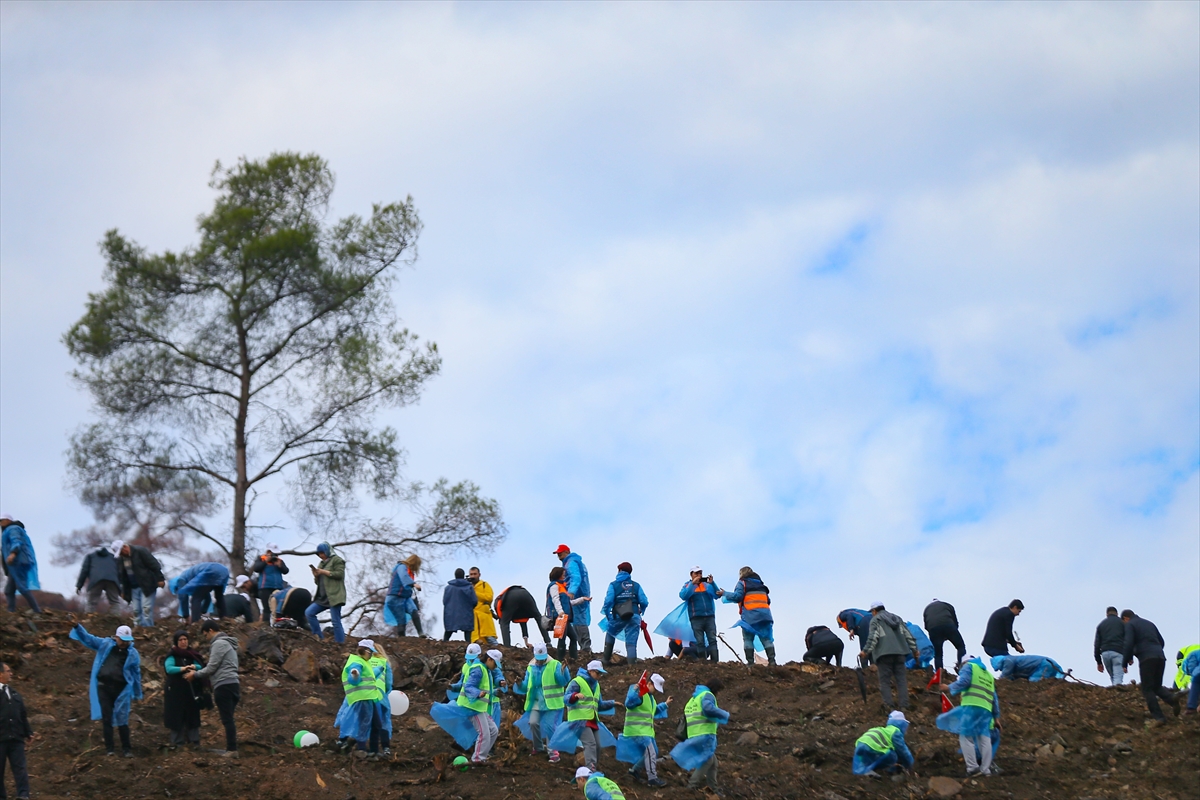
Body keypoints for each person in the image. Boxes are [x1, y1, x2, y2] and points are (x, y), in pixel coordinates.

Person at [69, 622, 142, 757]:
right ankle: (110, 749)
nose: (124, 643)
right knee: (107, 717)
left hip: (122, 689)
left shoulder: (133, 654)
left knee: (122, 718)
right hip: (104, 687)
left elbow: (136, 673)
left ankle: (127, 749)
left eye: (127, 641)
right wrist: (77, 627)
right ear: (116, 637)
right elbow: (88, 638)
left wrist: (137, 693)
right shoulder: (105, 644)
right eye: (122, 640)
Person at [184, 620, 240, 756]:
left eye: (205, 635)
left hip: (223, 684)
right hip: (234, 684)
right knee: (229, 718)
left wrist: (195, 675)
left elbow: (212, 667)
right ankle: (231, 748)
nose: (206, 638)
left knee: (227, 719)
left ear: (210, 630)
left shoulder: (219, 643)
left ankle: (232, 750)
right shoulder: (229, 644)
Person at [552, 660, 616, 772]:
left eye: (601, 673)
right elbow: (566, 698)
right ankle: (590, 770)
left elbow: (598, 705)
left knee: (597, 746)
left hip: (591, 720)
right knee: (590, 744)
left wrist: (612, 703)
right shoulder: (577, 682)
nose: (599, 676)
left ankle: (592, 769)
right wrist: (575, 695)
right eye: (597, 673)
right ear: (590, 671)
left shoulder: (596, 686)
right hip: (579, 721)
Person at [942, 655, 1000, 776]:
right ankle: (986, 770)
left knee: (966, 737)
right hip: (986, 710)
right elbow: (994, 698)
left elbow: (964, 681)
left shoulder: (969, 666)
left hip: (971, 707)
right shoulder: (988, 675)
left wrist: (948, 687)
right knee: (984, 739)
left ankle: (973, 768)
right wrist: (996, 717)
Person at [669, 679, 730, 793]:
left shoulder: (693, 699)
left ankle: (714, 788)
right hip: (704, 733)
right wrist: (724, 714)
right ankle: (692, 786)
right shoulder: (708, 695)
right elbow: (708, 708)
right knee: (707, 760)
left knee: (713, 762)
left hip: (694, 734)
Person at [1120, 609, 1181, 724]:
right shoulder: (1149, 623)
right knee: (1156, 686)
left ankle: (1159, 717)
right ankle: (1172, 699)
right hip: (1160, 656)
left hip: (1146, 658)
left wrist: (1125, 662)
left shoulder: (1130, 625)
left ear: (1126, 618)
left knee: (1147, 689)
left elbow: (1128, 644)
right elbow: (1161, 642)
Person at [514, 642, 568, 762]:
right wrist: (519, 684)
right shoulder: (531, 666)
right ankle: (538, 747)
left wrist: (563, 671)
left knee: (550, 726)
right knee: (533, 723)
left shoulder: (555, 664)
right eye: (538, 659)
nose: (539, 661)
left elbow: (562, 682)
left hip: (552, 702)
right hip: (536, 702)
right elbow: (526, 686)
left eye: (542, 659)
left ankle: (553, 752)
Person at [861, 601, 919, 711]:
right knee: (901, 680)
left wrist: (865, 651)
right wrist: (915, 650)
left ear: (874, 611)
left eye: (872, 612)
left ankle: (889, 706)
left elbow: (873, 637)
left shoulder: (876, 620)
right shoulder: (897, 618)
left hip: (884, 655)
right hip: (900, 654)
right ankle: (904, 706)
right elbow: (908, 635)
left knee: (885, 681)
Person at [615, 672, 669, 787]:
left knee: (654, 752)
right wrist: (635, 692)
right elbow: (629, 703)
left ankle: (634, 771)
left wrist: (665, 704)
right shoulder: (639, 692)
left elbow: (653, 711)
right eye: (655, 688)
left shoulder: (651, 698)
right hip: (637, 731)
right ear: (649, 683)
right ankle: (652, 779)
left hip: (646, 732)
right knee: (650, 752)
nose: (656, 691)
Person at [334, 640, 384, 756]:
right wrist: (355, 674)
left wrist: (379, 670)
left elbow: (369, 677)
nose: (372, 654)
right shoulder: (357, 662)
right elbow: (354, 679)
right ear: (365, 650)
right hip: (362, 698)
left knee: (375, 723)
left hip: (369, 697)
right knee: (364, 722)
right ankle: (360, 747)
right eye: (371, 652)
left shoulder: (363, 662)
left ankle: (370, 750)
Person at [726, 567, 776, 666]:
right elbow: (768, 600)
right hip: (765, 616)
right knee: (766, 639)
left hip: (750, 616)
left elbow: (737, 597)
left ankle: (750, 663)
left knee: (748, 639)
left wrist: (725, 594)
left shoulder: (742, 583)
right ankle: (772, 662)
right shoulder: (761, 585)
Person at [601, 562, 648, 666]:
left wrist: (607, 613)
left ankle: (605, 660)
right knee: (631, 643)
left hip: (618, 615)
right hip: (634, 615)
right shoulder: (636, 585)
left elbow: (608, 601)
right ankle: (632, 666)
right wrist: (641, 610)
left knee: (610, 633)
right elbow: (644, 601)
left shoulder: (613, 585)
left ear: (619, 571)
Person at [163, 630, 204, 748]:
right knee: (176, 716)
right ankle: (177, 742)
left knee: (192, 715)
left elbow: (200, 665)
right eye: (180, 640)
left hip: (190, 690)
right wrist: (184, 668)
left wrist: (193, 666)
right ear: (176, 642)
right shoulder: (172, 655)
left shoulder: (192, 654)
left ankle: (194, 741)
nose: (183, 642)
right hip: (175, 690)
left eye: (185, 639)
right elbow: (169, 669)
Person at [459, 643, 498, 763]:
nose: (496, 667)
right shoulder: (478, 669)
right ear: (489, 659)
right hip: (471, 706)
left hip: (479, 707)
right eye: (495, 663)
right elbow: (469, 686)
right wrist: (477, 693)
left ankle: (482, 756)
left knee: (493, 731)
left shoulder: (485, 668)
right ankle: (477, 759)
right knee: (484, 733)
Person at [0, 661, 32, 800]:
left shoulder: (14, 694)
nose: (11, 673)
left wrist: (28, 732)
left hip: (16, 738)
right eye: (8, 671)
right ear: (0, 674)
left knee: (20, 769)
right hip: (0, 738)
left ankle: (23, 795)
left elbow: (22, 715)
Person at [114, 541, 164, 627]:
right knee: (136, 611)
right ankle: (138, 629)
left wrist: (160, 578)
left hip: (147, 585)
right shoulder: (121, 559)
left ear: (125, 547)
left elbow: (154, 565)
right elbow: (122, 576)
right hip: (133, 588)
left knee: (146, 609)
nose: (121, 555)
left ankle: (148, 629)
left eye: (121, 552)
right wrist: (123, 591)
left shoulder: (140, 551)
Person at [555, 545, 594, 653]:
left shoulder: (571, 563)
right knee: (576, 620)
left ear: (567, 552)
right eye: (557, 553)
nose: (558, 555)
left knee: (579, 620)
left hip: (576, 595)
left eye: (560, 553)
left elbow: (576, 578)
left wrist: (571, 592)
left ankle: (585, 647)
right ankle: (582, 647)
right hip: (580, 593)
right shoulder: (575, 562)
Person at [679, 567, 722, 662]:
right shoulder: (687, 585)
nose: (699, 575)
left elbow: (717, 595)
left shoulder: (707, 585)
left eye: (700, 573)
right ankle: (703, 663)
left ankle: (715, 662)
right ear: (691, 574)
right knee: (700, 641)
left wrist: (713, 583)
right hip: (696, 617)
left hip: (709, 616)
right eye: (696, 573)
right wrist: (692, 584)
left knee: (712, 640)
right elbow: (683, 596)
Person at [306, 543, 346, 643]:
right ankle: (319, 637)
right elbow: (317, 583)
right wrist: (316, 575)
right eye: (319, 554)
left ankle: (340, 643)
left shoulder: (337, 560)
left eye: (322, 553)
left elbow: (339, 574)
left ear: (327, 551)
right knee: (309, 613)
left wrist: (324, 572)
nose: (321, 556)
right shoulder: (321, 564)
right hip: (322, 597)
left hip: (334, 595)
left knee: (335, 621)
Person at [852, 710, 914, 777]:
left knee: (872, 757)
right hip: (873, 746)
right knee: (893, 756)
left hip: (860, 745)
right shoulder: (895, 732)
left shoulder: (883, 730)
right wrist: (910, 764)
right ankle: (891, 774)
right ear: (902, 724)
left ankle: (870, 771)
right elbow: (902, 750)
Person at [0, 515, 40, 615]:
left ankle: (36, 610)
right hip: (14, 564)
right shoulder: (7, 530)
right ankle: (11, 611)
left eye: (1, 520)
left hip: (18, 562)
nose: (0, 523)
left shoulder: (13, 529)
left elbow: (16, 541)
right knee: (9, 590)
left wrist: (13, 554)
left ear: (8, 520)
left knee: (21, 586)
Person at [547, 566, 585, 661]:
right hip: (560, 616)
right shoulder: (554, 586)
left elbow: (568, 603)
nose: (564, 576)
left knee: (573, 637)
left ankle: (572, 658)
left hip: (564, 617)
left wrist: (582, 599)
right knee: (562, 638)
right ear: (558, 575)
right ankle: (560, 659)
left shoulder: (562, 587)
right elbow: (555, 599)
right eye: (563, 574)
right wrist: (560, 612)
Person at [923, 598, 965, 677]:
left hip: (933, 630)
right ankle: (962, 668)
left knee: (938, 654)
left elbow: (926, 626)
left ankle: (939, 675)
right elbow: (955, 621)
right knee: (960, 646)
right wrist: (951, 633)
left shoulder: (926, 609)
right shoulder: (947, 605)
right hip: (948, 625)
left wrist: (936, 635)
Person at [76, 544, 123, 613]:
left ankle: (89, 618)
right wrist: (121, 586)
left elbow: (84, 571)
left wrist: (79, 585)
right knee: (114, 602)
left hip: (96, 580)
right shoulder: (113, 557)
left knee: (91, 602)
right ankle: (116, 619)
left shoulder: (90, 557)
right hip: (112, 580)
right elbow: (120, 571)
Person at [385, 555, 424, 637]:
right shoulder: (401, 567)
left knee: (414, 610)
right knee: (401, 619)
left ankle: (421, 633)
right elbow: (404, 577)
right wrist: (414, 584)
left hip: (405, 597)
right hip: (395, 597)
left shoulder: (410, 571)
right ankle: (402, 639)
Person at [249, 543, 289, 621]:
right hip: (265, 587)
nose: (275, 555)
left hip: (278, 587)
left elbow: (286, 571)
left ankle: (279, 624)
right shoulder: (261, 558)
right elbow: (256, 568)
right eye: (273, 553)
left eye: (276, 553)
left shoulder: (279, 561)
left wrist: (280, 565)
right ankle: (266, 626)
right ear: (268, 552)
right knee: (267, 609)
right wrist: (266, 561)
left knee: (279, 608)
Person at [368, 642, 394, 757]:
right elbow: (388, 682)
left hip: (364, 694)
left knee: (366, 721)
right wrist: (386, 692)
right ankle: (385, 747)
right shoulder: (384, 662)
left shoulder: (363, 661)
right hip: (379, 694)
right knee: (383, 721)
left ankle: (365, 748)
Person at [442, 568, 478, 642]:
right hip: (466, 614)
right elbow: (474, 601)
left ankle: (444, 643)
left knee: (448, 632)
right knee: (467, 633)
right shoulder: (469, 587)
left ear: (455, 575)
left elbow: (445, 601)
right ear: (463, 575)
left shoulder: (448, 588)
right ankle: (468, 647)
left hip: (451, 613)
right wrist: (470, 608)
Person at [1094, 607, 1126, 686]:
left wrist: (1099, 662)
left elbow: (1096, 644)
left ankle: (1113, 693)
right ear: (1117, 613)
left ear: (1107, 614)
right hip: (1118, 652)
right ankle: (1117, 693)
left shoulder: (1101, 625)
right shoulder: (1122, 623)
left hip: (1105, 653)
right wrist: (1129, 657)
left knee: (1112, 676)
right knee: (1117, 677)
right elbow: (1128, 640)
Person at [468, 567, 498, 645]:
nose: (473, 576)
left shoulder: (485, 585)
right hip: (473, 617)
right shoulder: (467, 586)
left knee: (490, 639)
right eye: (471, 574)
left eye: (475, 574)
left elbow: (489, 597)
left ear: (479, 574)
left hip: (484, 617)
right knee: (475, 642)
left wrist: (474, 593)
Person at [989, 654, 1065, 682]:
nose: (1000, 670)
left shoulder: (1008, 660)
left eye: (999, 668)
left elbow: (1005, 675)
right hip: (1046, 663)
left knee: (1034, 681)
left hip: (1044, 664)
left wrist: (999, 681)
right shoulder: (1011, 660)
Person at [1179, 647, 1200, 716]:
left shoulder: (1191, 655)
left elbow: (1191, 667)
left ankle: (1191, 708)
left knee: (1195, 681)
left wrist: (1192, 674)